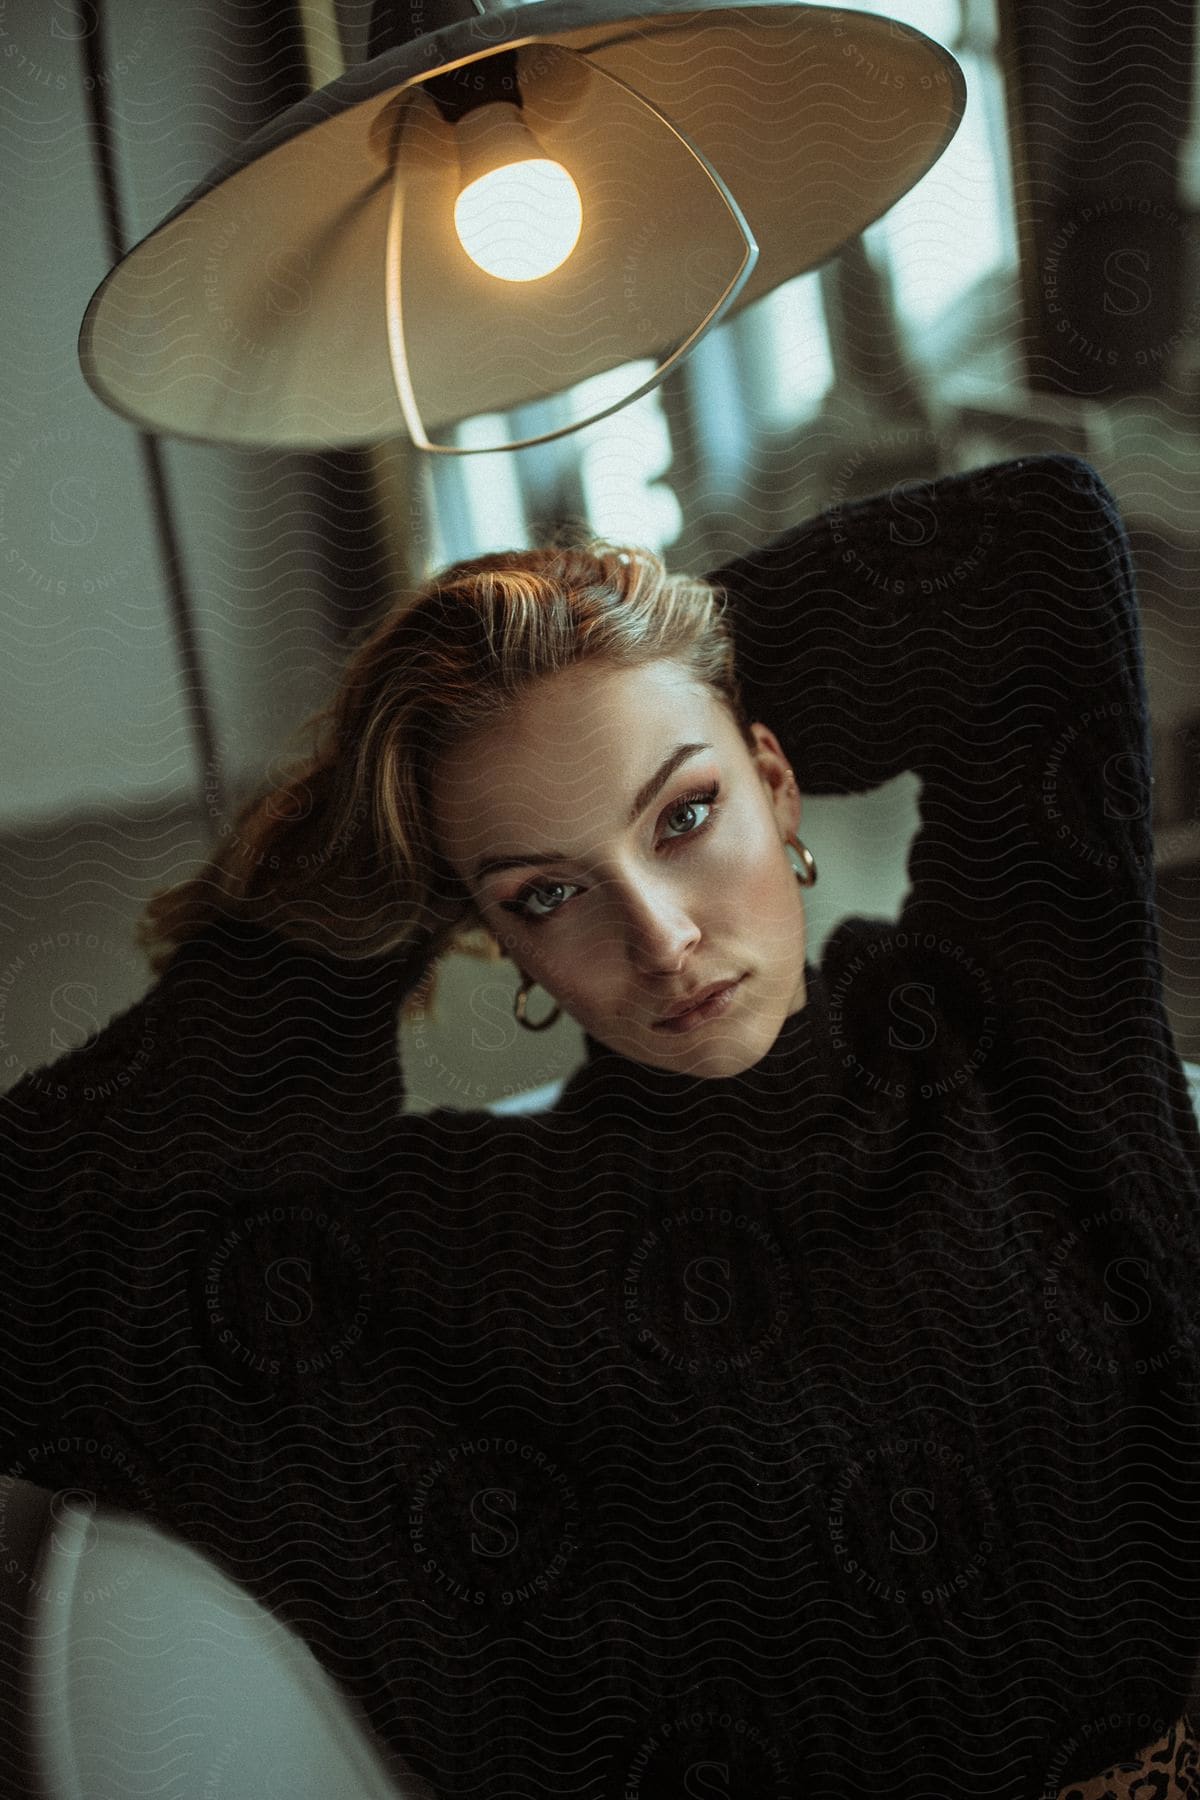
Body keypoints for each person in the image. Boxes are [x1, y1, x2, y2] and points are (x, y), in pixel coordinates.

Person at [3, 451, 1200, 1800]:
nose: (662, 936)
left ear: (778, 784)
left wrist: (612, 655)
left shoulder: (1016, 1018)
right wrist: (371, 834)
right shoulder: (476, 1251)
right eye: (546, 895)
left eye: (685, 815)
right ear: (486, 936)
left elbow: (1036, 549)